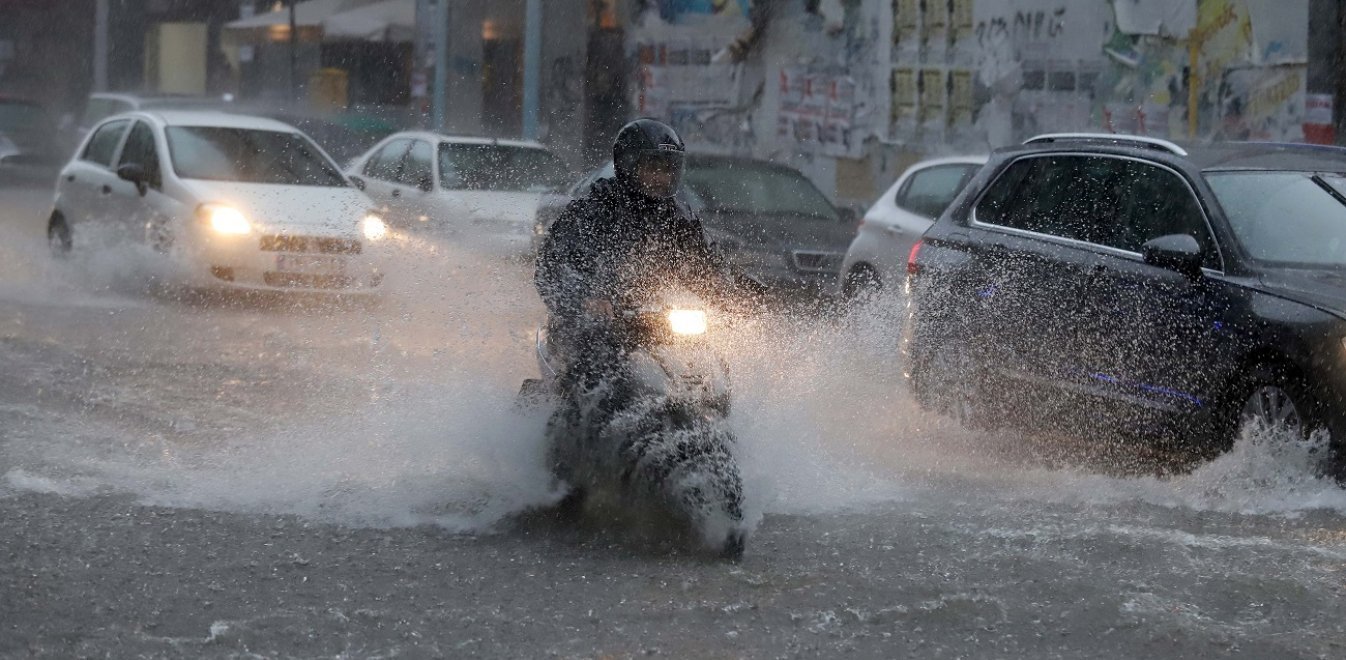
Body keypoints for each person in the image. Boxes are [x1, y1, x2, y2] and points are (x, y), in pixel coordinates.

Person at [534, 118, 752, 390]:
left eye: (669, 169)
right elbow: (551, 267)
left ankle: (713, 415)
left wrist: (741, 296)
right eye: (654, 167)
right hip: (590, 323)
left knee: (705, 360)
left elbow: (707, 263)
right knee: (595, 366)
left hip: (654, 321)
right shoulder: (592, 211)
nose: (662, 177)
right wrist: (586, 297)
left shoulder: (677, 217)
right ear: (628, 164)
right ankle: (581, 425)